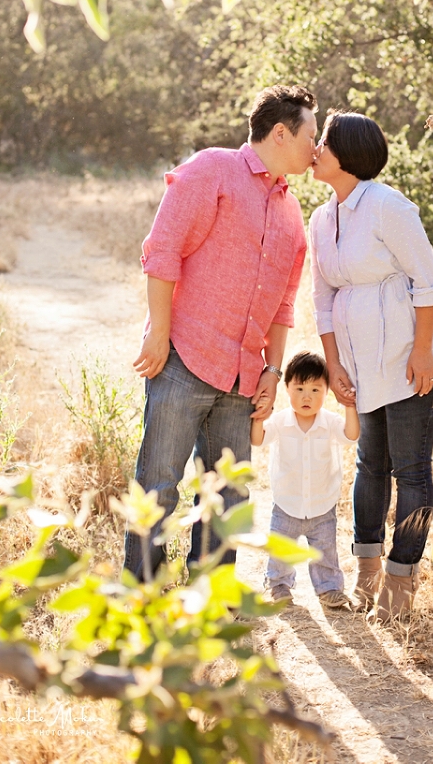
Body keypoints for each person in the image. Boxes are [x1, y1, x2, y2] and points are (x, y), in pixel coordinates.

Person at [124, 84, 318, 581]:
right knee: (158, 487)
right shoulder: (212, 169)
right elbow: (162, 249)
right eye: (309, 136)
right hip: (184, 361)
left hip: (242, 379)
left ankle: (209, 599)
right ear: (280, 133)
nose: (315, 149)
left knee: (228, 495)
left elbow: (283, 305)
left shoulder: (292, 215)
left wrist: (273, 370)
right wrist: (158, 332)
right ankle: (143, 597)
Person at [308, 110, 433, 621]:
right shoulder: (321, 218)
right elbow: (323, 299)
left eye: (324, 142)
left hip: (407, 362)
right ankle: (366, 576)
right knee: (369, 467)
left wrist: (424, 352)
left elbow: (428, 281)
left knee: (411, 470)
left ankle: (401, 586)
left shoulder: (387, 206)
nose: (315, 150)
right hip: (357, 363)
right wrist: (333, 365)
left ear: (348, 154)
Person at [251, 350, 359, 608]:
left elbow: (351, 436)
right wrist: (259, 418)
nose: (306, 397)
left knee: (325, 552)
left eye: (315, 389)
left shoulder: (330, 422)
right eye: (299, 389)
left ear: (326, 391)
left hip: (322, 504)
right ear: (286, 388)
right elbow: (258, 440)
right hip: (287, 503)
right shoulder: (280, 422)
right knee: (280, 550)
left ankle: (329, 589)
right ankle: (278, 585)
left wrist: (350, 406)